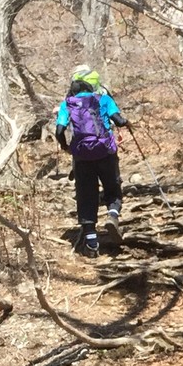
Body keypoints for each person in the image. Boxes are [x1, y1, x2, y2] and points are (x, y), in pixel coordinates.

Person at [54, 65, 129, 253]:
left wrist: (66, 147)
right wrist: (127, 122)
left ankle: (92, 243)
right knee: (113, 188)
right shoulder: (103, 99)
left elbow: (59, 130)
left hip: (81, 157)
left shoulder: (67, 104)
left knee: (86, 195)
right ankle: (112, 215)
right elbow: (119, 120)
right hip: (105, 152)